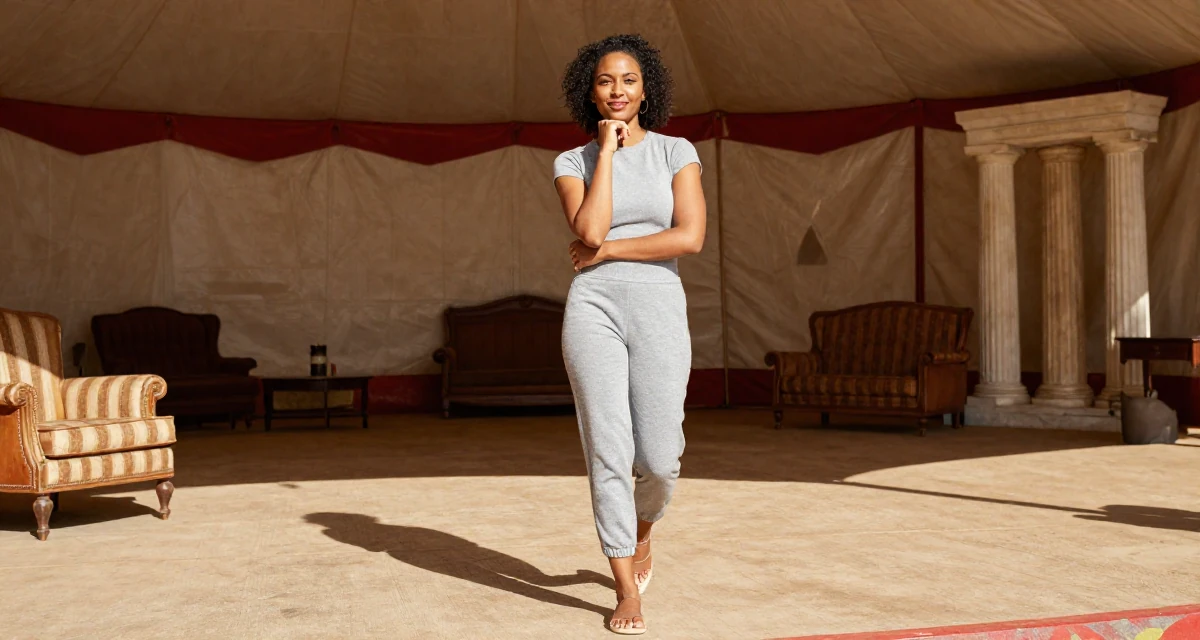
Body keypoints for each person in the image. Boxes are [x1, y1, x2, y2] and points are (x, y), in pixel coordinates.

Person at [552, 34, 705, 635]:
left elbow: (689, 237)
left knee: (661, 459)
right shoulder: (573, 162)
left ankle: (643, 531)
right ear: (589, 92)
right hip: (593, 307)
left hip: (659, 302)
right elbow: (587, 228)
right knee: (608, 452)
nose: (617, 91)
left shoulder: (676, 151)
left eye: (629, 81)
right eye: (605, 82)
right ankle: (625, 591)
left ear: (647, 89)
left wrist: (608, 250)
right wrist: (607, 154)